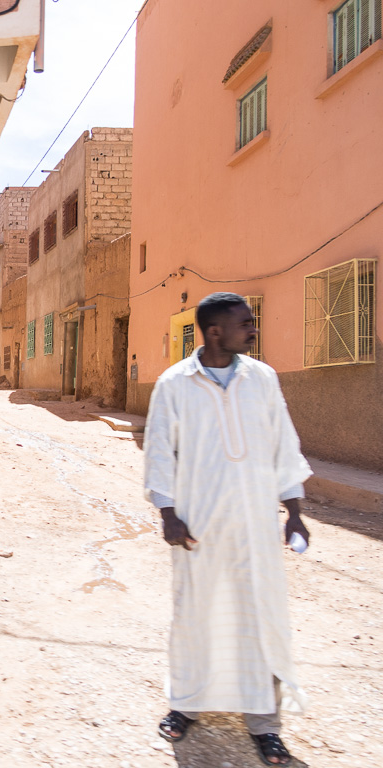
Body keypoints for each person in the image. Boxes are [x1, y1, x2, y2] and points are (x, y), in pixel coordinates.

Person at [143, 292, 311, 766]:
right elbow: (158, 452)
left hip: (255, 527)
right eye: (245, 323)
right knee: (196, 617)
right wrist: (168, 515)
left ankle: (265, 725)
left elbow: (284, 443)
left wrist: (294, 510)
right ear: (215, 331)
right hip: (198, 527)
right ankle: (186, 706)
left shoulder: (262, 379)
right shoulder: (175, 384)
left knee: (262, 621)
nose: (253, 330)